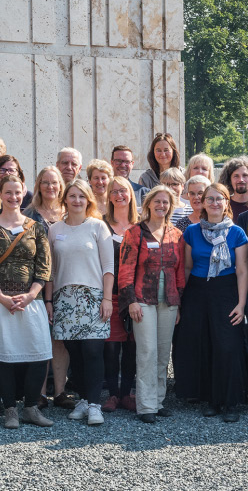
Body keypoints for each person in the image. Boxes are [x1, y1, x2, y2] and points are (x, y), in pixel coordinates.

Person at [0, 175, 55, 430]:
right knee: (4, 355)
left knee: (40, 353)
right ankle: (10, 410)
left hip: (31, 300)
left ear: (23, 193)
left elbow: (44, 266)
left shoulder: (35, 227)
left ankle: (30, 407)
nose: (13, 197)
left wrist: (31, 295)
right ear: (0, 194)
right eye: (8, 192)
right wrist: (2, 298)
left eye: (17, 192)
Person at [174, 183, 248, 422]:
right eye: (210, 199)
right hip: (197, 292)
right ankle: (211, 400)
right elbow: (186, 267)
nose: (215, 203)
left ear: (227, 202)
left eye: (220, 199)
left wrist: (241, 304)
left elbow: (242, 271)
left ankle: (230, 402)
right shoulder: (192, 232)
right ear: (203, 203)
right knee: (204, 345)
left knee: (227, 347)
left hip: (226, 292)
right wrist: (180, 299)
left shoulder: (236, 233)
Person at [47, 179, 114, 427]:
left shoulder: (98, 227)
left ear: (89, 200)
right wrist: (49, 300)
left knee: (93, 351)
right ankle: (84, 399)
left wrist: (107, 298)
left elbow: (108, 267)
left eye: (82, 197)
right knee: (74, 352)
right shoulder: (54, 230)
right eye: (72, 196)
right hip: (64, 298)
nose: (77, 201)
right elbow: (51, 270)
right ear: (65, 199)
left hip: (93, 298)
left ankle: (95, 405)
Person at [117, 185, 185, 423]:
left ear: (171, 205)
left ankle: (158, 400)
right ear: (148, 205)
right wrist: (131, 302)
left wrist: (178, 302)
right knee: (147, 351)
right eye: (157, 202)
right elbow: (125, 271)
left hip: (169, 300)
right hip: (142, 300)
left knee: (162, 353)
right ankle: (145, 405)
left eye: (166, 202)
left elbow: (179, 272)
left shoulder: (176, 234)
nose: (161, 206)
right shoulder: (135, 233)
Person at [100, 177, 139, 413]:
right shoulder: (101, 225)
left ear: (131, 194)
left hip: (136, 296)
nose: (118, 195)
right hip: (111, 295)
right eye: (113, 191)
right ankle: (113, 394)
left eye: (123, 190)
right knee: (112, 347)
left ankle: (127, 394)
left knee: (133, 347)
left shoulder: (141, 225)